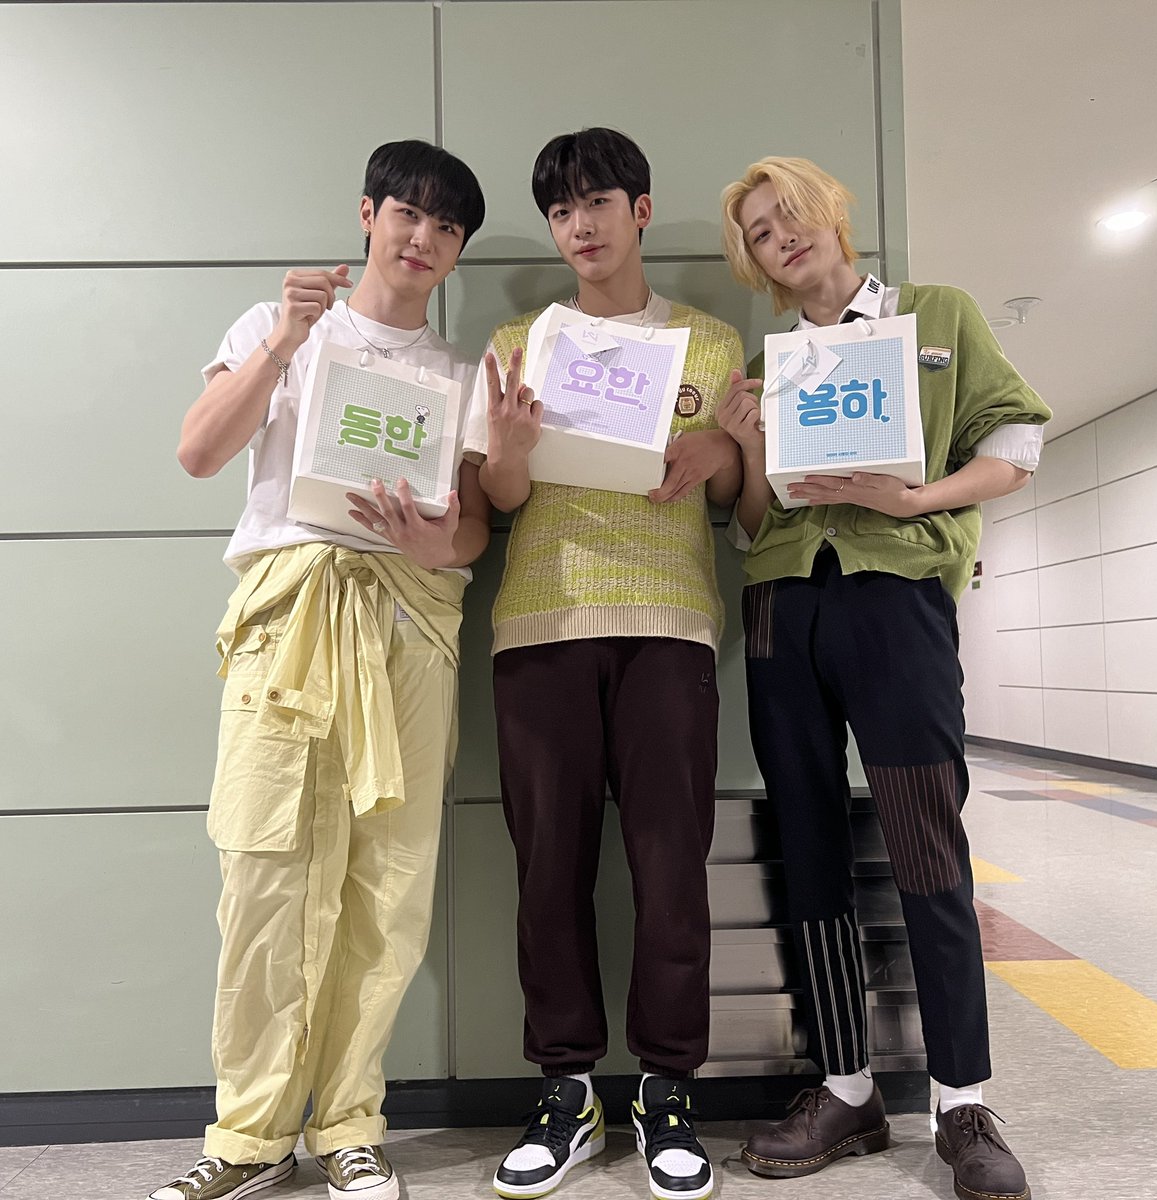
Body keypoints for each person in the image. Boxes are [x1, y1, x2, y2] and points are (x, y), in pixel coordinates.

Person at [149, 140, 490, 1200]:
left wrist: (438, 542)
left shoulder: (459, 374)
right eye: (408, 213)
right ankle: (247, 1136)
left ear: (458, 250)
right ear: (368, 214)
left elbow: (476, 525)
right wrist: (284, 342)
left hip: (412, 623)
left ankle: (350, 1125)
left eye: (447, 226)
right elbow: (199, 451)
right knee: (263, 875)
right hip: (291, 615)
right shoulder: (279, 326)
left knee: (389, 884)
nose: (423, 237)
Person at [716, 156, 1049, 1200]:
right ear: (756, 263)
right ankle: (847, 1087)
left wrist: (916, 501)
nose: (782, 236)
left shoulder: (933, 317)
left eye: (790, 214)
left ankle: (961, 1101)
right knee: (809, 839)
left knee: (925, 839)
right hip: (782, 606)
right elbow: (758, 523)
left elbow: (1017, 442)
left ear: (831, 214)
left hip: (897, 598)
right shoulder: (772, 368)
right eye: (760, 232)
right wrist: (747, 448)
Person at [462, 127, 742, 1200]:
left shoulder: (710, 342)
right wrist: (509, 451)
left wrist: (725, 451)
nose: (579, 225)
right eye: (560, 210)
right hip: (541, 625)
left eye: (597, 202)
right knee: (548, 870)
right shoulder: (518, 342)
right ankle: (566, 1090)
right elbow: (501, 498)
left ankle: (668, 1093)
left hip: (670, 625)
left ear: (640, 209)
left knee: (672, 870)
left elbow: (736, 498)